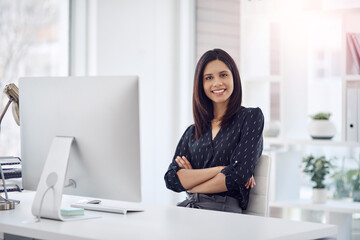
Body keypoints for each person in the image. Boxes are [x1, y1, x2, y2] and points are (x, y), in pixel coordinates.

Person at [164, 48, 264, 213]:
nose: (217, 83)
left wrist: (192, 183)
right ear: (201, 84)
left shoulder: (250, 118)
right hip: (189, 209)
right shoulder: (192, 131)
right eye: (209, 78)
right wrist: (219, 170)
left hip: (223, 212)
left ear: (234, 78)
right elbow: (172, 180)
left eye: (223, 75)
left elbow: (237, 176)